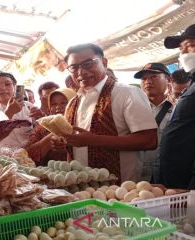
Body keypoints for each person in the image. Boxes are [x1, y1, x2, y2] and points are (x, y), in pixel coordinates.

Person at [51, 43, 157, 182]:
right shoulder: (73, 103)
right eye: (74, 67)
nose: (81, 72)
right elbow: (76, 144)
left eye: (88, 64)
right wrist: (62, 143)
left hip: (121, 190)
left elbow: (149, 141)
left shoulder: (127, 93)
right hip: (81, 188)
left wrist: (94, 140)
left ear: (104, 62)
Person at [159, 24, 195, 189]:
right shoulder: (192, 84)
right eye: (182, 48)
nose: (184, 53)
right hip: (177, 181)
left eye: (191, 46)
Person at [0, 71, 42, 148]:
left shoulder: (27, 106)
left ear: (14, 87)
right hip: (5, 157)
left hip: (30, 153)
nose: (3, 88)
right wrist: (9, 113)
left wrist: (41, 118)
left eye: (7, 84)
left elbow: (39, 129)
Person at [134, 63, 173, 183]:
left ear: (168, 79)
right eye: (144, 79)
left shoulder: (178, 109)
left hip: (166, 173)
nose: (148, 82)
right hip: (136, 173)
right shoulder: (133, 109)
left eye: (154, 77)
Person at [26, 88, 76, 166]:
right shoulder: (42, 126)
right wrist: (53, 133)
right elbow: (28, 155)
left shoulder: (82, 125)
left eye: (64, 103)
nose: (58, 107)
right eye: (54, 104)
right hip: (47, 175)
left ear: (74, 104)